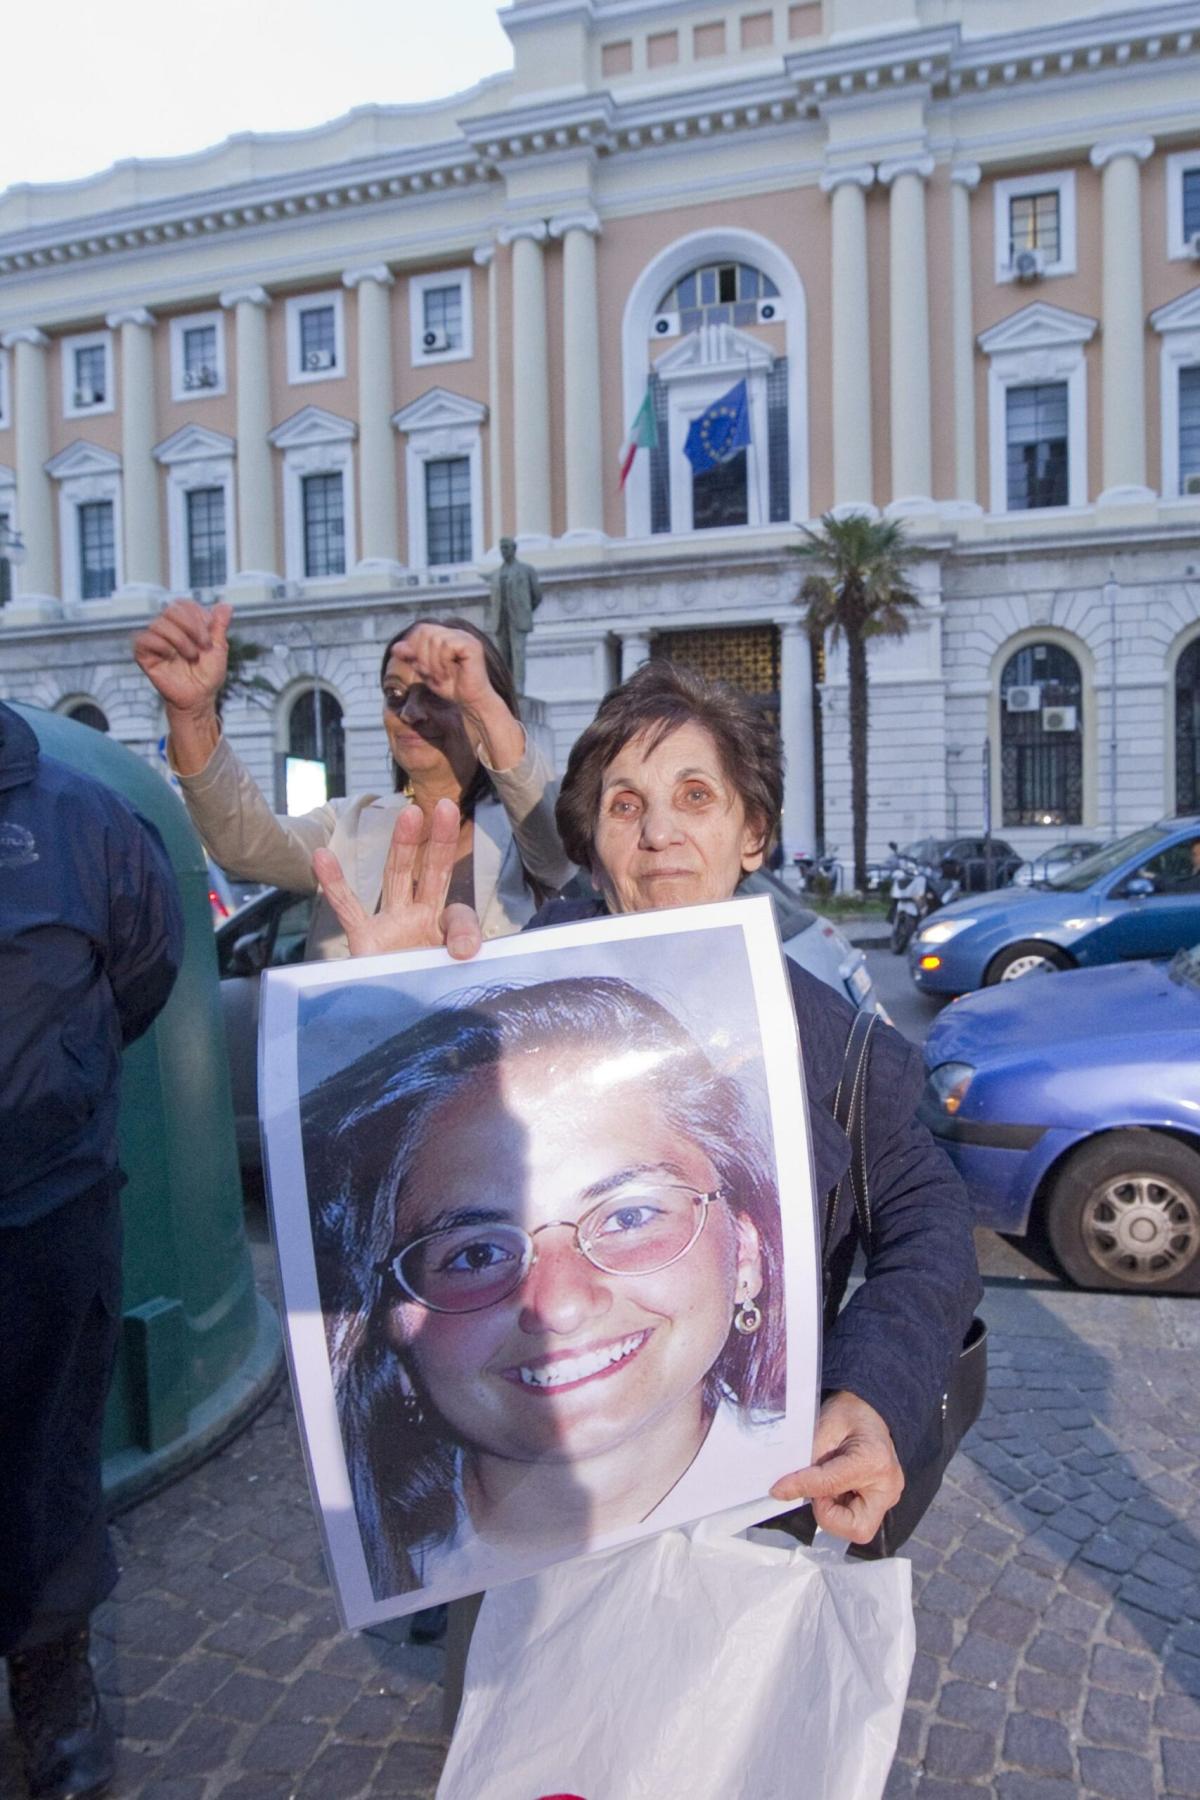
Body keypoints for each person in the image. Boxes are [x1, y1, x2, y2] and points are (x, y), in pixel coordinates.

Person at [318, 658, 982, 1549]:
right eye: (626, 806)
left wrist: (874, 1389)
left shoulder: (839, 1045)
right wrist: (392, 1007)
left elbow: (930, 1223)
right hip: (524, 1552)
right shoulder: (492, 1006)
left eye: (696, 796)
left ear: (754, 836)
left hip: (745, 1520)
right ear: (591, 844)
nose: (660, 832)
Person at [304, 975, 786, 1595]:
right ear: (393, 1323)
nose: (558, 1305)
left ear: (744, 1253)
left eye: (629, 1217)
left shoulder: (816, 1525)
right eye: (477, 1253)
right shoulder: (387, 1581)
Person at [0, 701, 184, 1800]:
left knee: (48, 1464)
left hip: (45, 1212)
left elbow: (144, 975)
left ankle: (54, 1684)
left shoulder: (86, 818)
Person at [132, 602, 572, 958]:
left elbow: (557, 849)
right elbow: (244, 844)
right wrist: (191, 715)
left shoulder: (524, 829)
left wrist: (481, 700)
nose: (410, 713)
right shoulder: (347, 824)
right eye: (395, 695)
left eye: (437, 694)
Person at [486, 537, 542, 697]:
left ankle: (518, 687)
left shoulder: (526, 570)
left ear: (514, 549)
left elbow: (537, 595)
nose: (504, 551)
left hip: (518, 619)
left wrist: (525, 610)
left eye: (506, 548)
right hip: (500, 619)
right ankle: (505, 687)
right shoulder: (495, 574)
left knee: (518, 653)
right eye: (502, 548)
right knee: (502, 656)